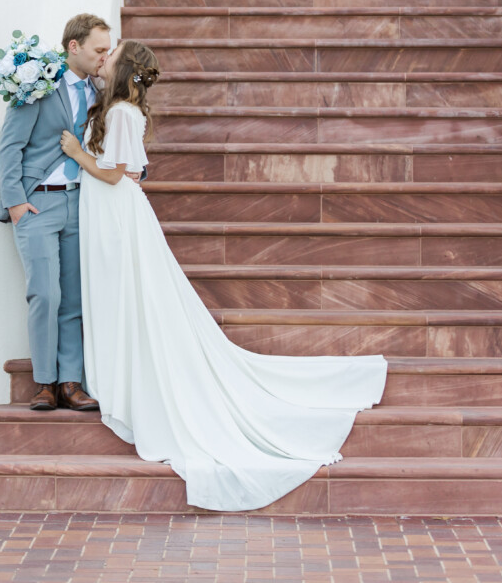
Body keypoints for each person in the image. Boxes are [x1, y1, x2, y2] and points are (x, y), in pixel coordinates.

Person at [60, 38, 389, 512]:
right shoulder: (114, 109)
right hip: (112, 211)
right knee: (124, 297)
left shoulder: (124, 115)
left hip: (116, 212)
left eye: (110, 56)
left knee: (131, 297)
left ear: (125, 69)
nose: (103, 60)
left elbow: (116, 174)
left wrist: (76, 153)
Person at [0, 13, 143, 413]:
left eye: (108, 51)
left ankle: (71, 382)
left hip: (83, 204)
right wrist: (15, 203)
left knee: (76, 298)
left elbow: (120, 138)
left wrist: (134, 168)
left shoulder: (103, 90)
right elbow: (9, 146)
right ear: (73, 47)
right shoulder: (37, 85)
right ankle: (44, 383)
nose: (104, 57)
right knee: (45, 294)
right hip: (37, 203)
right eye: (99, 50)